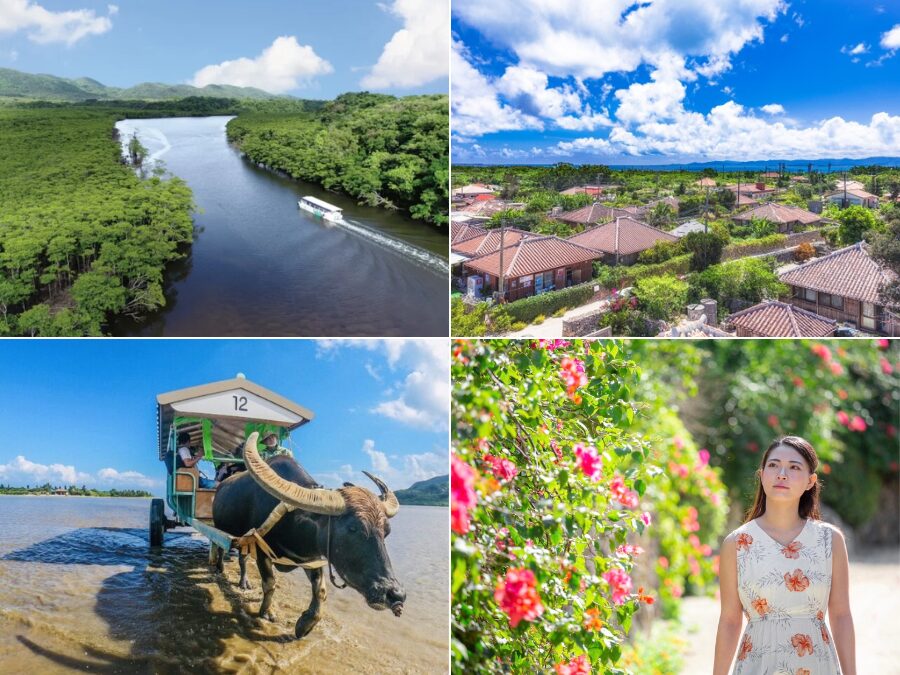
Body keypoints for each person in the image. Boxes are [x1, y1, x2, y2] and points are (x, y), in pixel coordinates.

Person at [713, 436, 856, 675]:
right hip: (757, 666)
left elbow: (841, 615)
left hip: (816, 665)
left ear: (810, 481)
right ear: (762, 475)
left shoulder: (829, 540)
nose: (782, 474)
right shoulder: (737, 543)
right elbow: (729, 620)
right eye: (773, 465)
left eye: (794, 467)